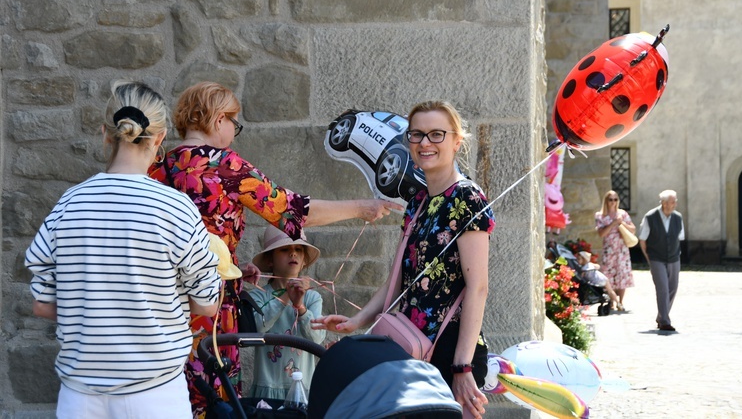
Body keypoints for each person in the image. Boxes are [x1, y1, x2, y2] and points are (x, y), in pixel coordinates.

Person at [148, 81, 401, 417]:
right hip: (208, 305)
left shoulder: (157, 167)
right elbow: (292, 210)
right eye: (233, 124)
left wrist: (236, 265)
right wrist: (360, 206)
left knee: (167, 395)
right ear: (217, 118)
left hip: (159, 304)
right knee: (212, 400)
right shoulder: (225, 165)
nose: (233, 133)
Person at [25, 81, 222, 419]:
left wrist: (96, 311)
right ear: (159, 139)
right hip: (156, 396)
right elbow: (207, 303)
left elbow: (43, 304)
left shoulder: (68, 206)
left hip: (80, 398)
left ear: (106, 133)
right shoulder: (176, 209)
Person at [312, 100, 495, 419]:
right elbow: (399, 279)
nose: (425, 143)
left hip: (450, 351)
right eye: (417, 134)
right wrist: (358, 321)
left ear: (456, 141)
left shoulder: (467, 198)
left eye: (437, 134)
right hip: (410, 346)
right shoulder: (418, 202)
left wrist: (462, 367)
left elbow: (478, 287)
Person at [246, 225, 325, 401]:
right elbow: (257, 327)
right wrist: (285, 298)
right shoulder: (257, 294)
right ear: (270, 260)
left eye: (298, 249)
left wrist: (301, 307)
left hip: (302, 389)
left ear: (304, 260)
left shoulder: (312, 297)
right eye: (284, 249)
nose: (293, 253)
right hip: (267, 388)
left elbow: (317, 338)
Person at [638, 189, 684, 332]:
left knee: (673, 288)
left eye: (675, 201)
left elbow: (679, 237)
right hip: (656, 258)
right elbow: (643, 240)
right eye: (672, 202)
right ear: (664, 203)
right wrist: (649, 258)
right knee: (663, 289)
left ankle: (661, 315)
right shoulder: (650, 217)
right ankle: (664, 321)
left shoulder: (678, 217)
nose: (674, 204)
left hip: (674, 258)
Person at [594, 190, 636, 311]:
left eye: (615, 199)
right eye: (610, 199)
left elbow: (633, 229)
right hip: (609, 249)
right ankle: (612, 300)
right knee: (608, 275)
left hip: (622, 249)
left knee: (622, 274)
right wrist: (613, 223)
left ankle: (621, 302)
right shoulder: (600, 215)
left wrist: (621, 222)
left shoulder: (622, 214)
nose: (613, 202)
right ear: (606, 201)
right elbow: (601, 233)